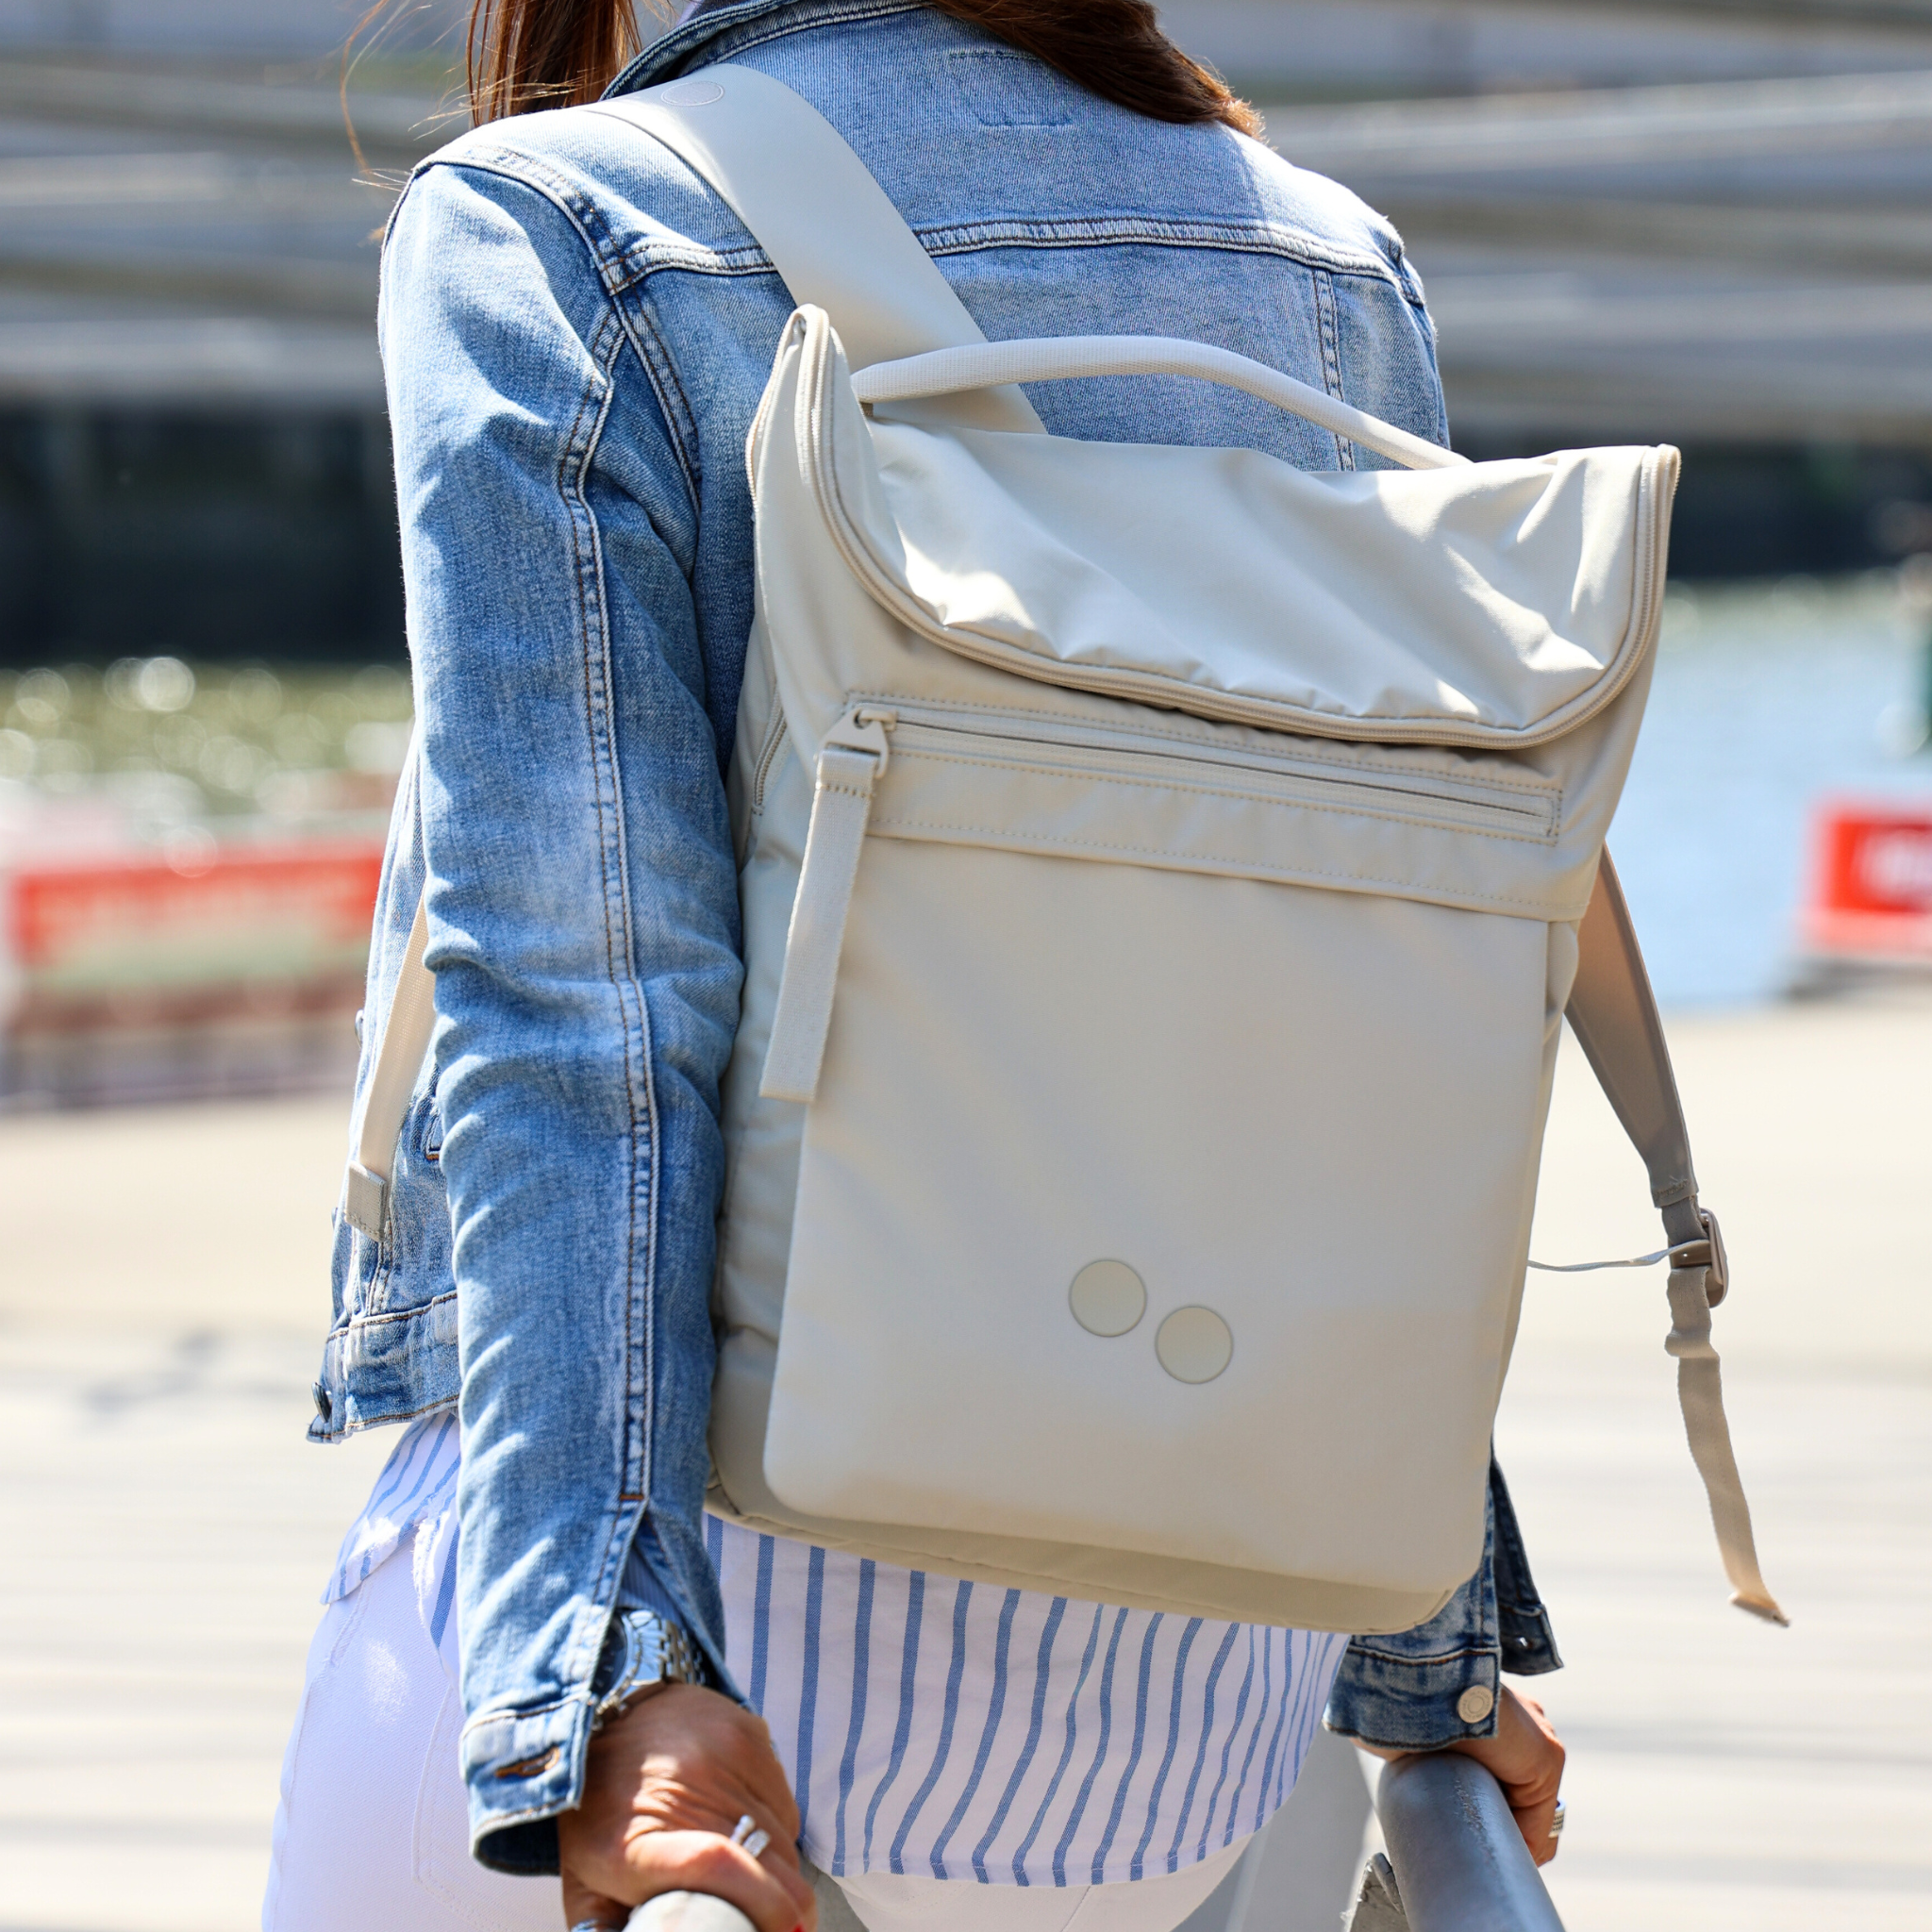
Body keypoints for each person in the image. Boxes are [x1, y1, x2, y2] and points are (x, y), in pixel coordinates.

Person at [264, 4, 1568, 1929]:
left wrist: (611, 1672)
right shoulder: (1321, 262)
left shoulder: (558, 223)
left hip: (736, 1697)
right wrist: (1433, 1650)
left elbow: (583, 1003)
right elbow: (1381, 1019)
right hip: (1191, 1723)